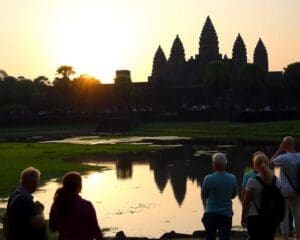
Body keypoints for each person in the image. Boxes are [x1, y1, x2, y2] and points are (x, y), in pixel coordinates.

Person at [49, 172, 103, 240]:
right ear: (79, 186)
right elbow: (96, 231)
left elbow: (52, 228)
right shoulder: (86, 205)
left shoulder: (56, 204)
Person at [242, 153, 281, 240]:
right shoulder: (276, 181)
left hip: (254, 217)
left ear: (255, 165)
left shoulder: (252, 181)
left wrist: (243, 216)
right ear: (267, 164)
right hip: (271, 217)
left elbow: (246, 202)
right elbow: (279, 200)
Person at [201, 152, 238, 240]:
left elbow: (204, 194)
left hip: (210, 214)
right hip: (226, 214)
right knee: (225, 237)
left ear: (214, 164)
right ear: (225, 164)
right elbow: (234, 195)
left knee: (210, 237)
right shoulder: (232, 178)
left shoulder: (208, 178)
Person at [271, 136, 300, 240]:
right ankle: (298, 236)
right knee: (297, 212)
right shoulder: (299, 156)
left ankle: (285, 236)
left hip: (285, 190)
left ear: (284, 145)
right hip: (298, 189)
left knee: (284, 213)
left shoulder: (284, 158)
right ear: (294, 144)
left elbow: (271, 162)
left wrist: (279, 149)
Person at [6, 166, 47, 240]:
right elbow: (37, 223)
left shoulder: (14, 195)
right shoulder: (24, 200)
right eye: (37, 182)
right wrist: (40, 210)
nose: (37, 185)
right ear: (33, 183)